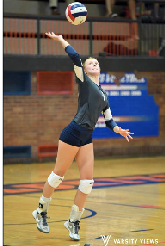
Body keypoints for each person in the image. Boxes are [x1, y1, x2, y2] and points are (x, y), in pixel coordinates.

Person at [32, 32, 134, 241]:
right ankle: (41, 212)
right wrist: (62, 41)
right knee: (57, 177)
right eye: (90, 63)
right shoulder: (84, 81)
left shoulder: (104, 95)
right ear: (85, 69)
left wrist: (118, 129)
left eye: (96, 63)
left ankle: (73, 221)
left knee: (87, 183)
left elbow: (108, 120)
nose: (94, 64)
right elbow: (75, 58)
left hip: (87, 137)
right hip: (73, 132)